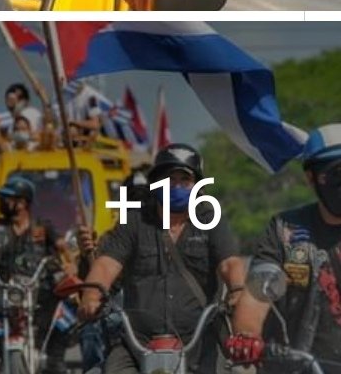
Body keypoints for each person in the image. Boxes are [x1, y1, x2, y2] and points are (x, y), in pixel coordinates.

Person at [79, 143, 245, 374]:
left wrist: (237, 290)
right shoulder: (134, 220)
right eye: (169, 179)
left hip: (199, 343)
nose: (176, 186)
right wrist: (91, 295)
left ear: (197, 186)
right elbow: (107, 263)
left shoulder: (210, 218)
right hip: (137, 345)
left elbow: (230, 262)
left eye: (184, 180)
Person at [227, 124, 341, 371]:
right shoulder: (286, 231)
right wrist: (247, 336)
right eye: (336, 173)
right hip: (296, 365)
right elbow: (260, 290)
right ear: (311, 178)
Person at [0, 176, 68, 374]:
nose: (2, 202)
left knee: (65, 321)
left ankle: (53, 364)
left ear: (22, 203)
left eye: (8, 198)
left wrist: (69, 266)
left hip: (38, 294)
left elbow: (65, 253)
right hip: (1, 295)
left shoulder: (42, 228)